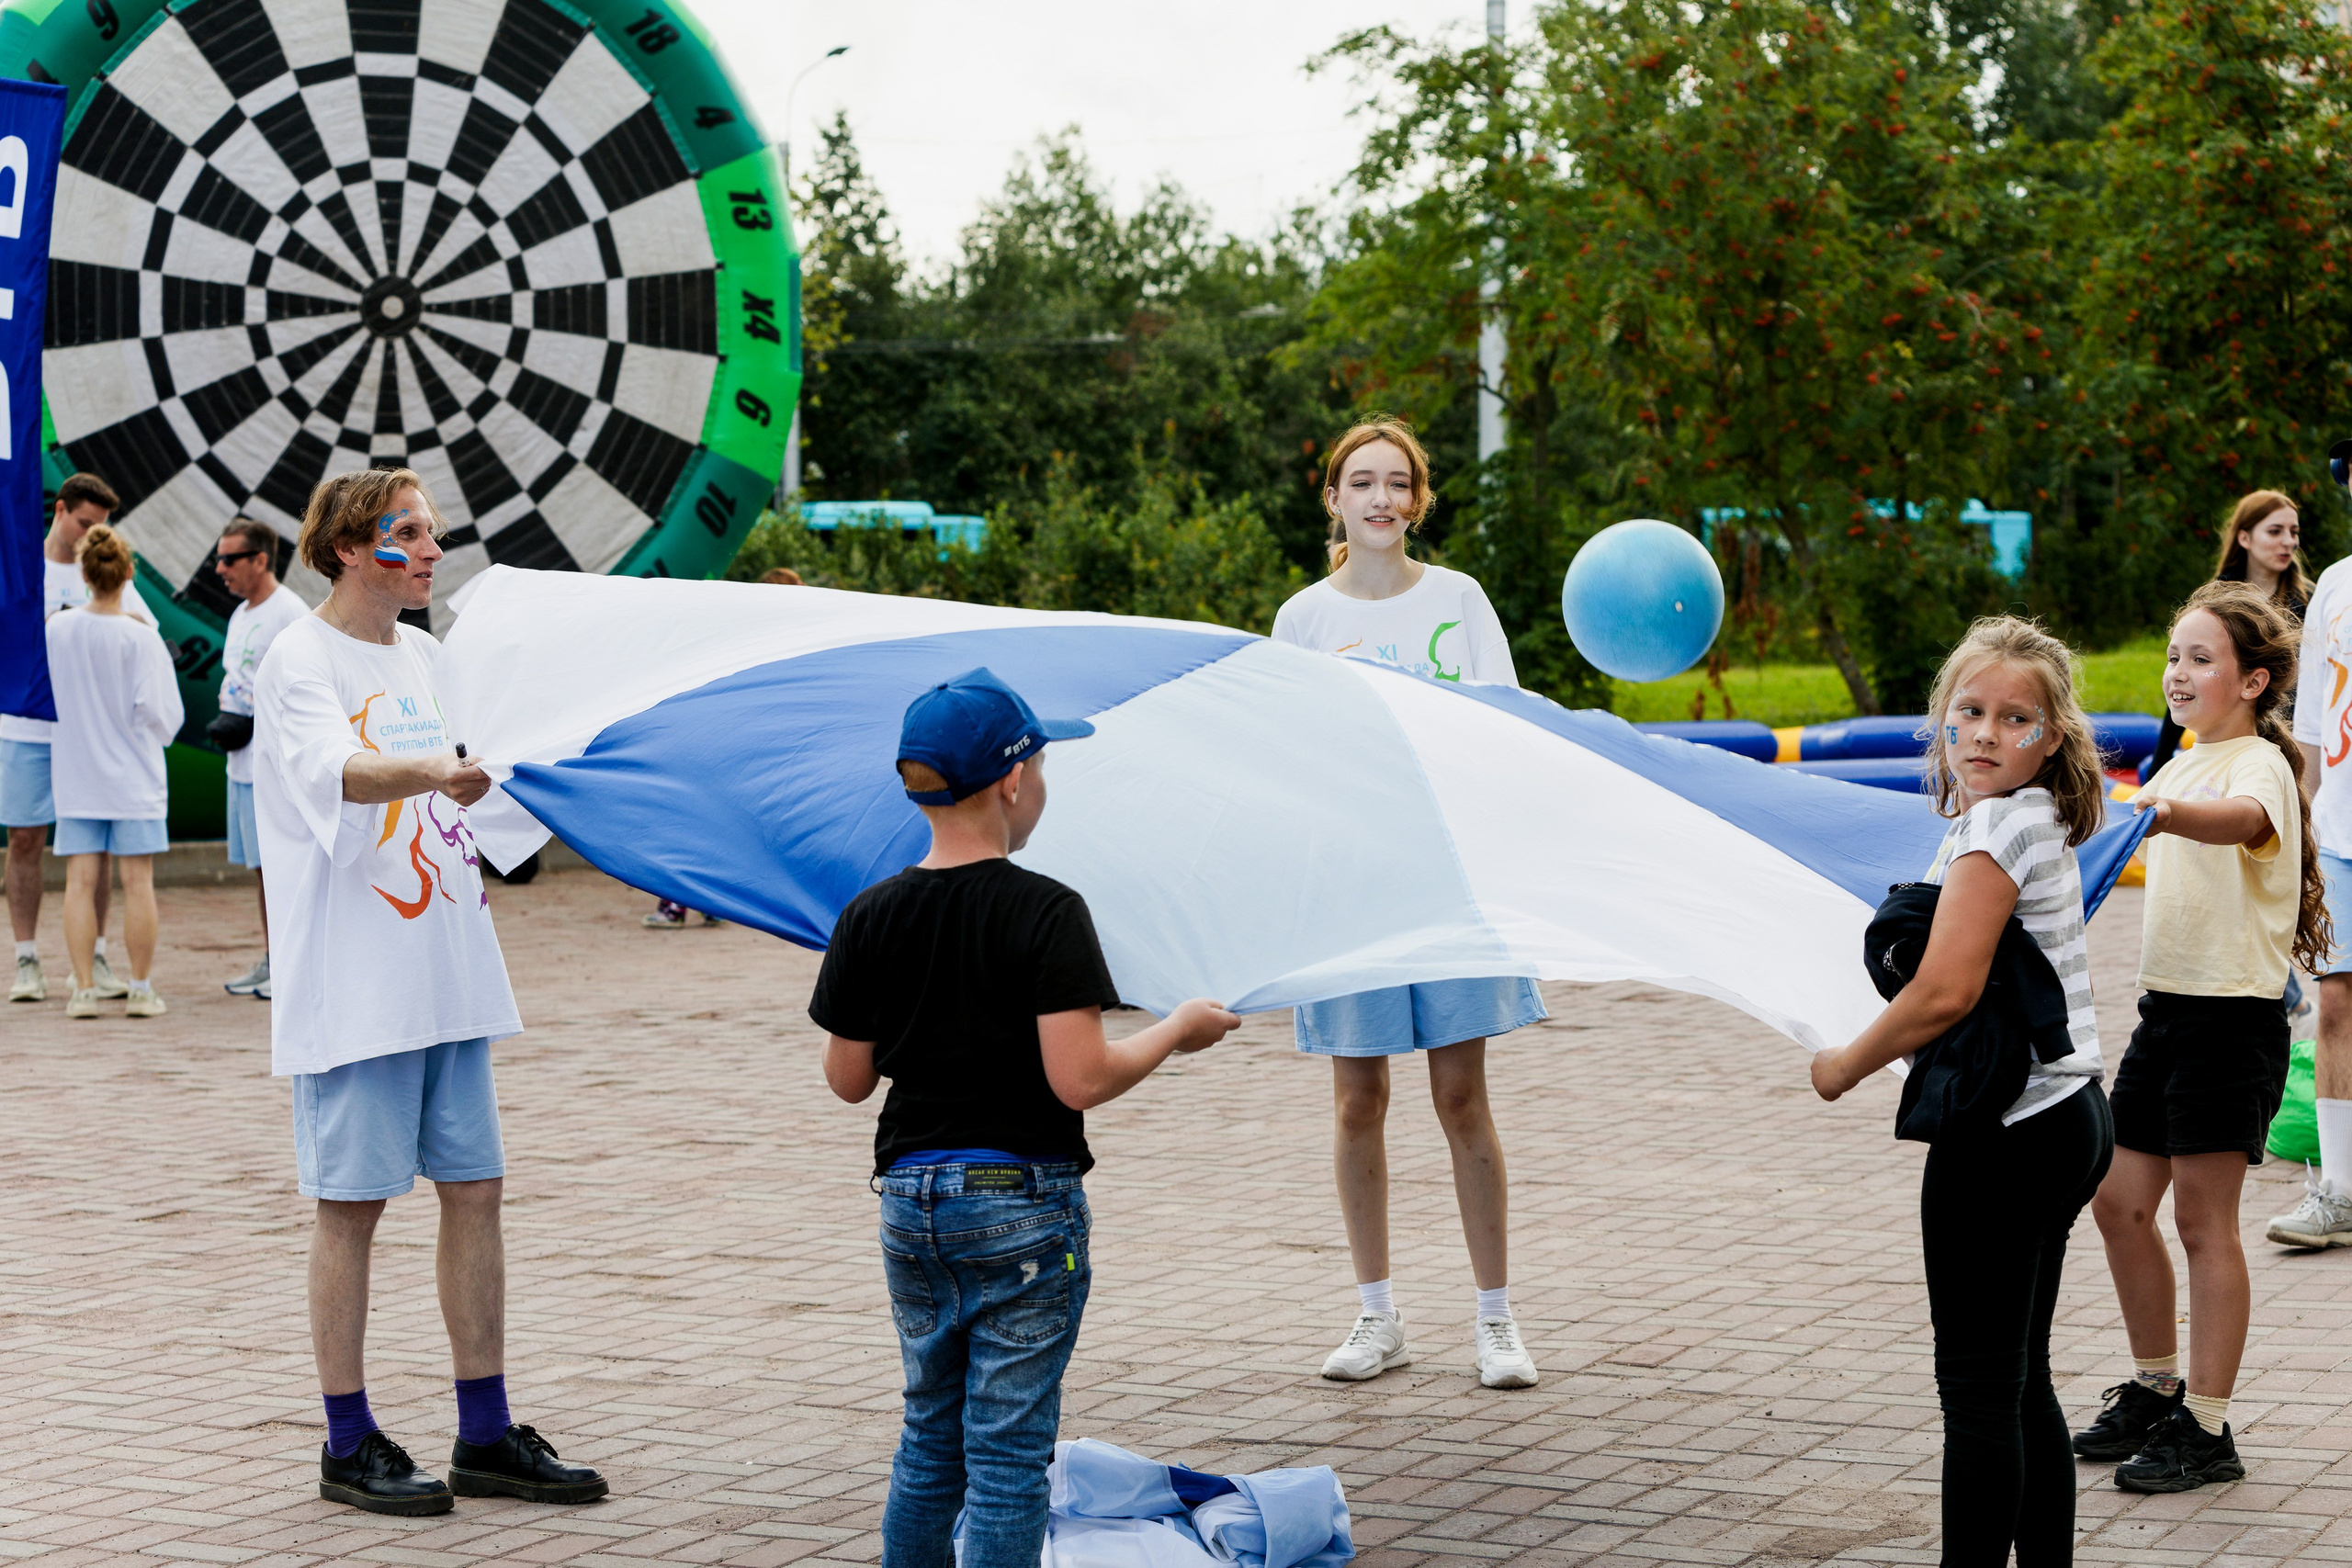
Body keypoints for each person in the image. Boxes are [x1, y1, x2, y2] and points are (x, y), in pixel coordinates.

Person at [812, 668, 1239, 1568]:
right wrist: (1174, 1031)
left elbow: (847, 1079)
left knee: (930, 1433)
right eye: (1041, 767)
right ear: (1012, 782)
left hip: (911, 1201)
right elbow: (1080, 1078)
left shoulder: (869, 913)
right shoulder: (1044, 910)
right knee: (1006, 1451)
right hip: (1021, 1203)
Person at [253, 468, 605, 1517]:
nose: (434, 548)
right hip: (357, 984)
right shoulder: (296, 656)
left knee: (477, 1193)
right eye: (412, 531)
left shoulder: (430, 656)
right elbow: (339, 772)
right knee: (351, 1208)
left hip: (450, 969)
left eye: (435, 530)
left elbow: (486, 785)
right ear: (354, 547)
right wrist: (436, 770)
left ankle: (485, 1431)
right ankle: (346, 1439)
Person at [1808, 616, 2112, 1566]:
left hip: (2008, 1136)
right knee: (2021, 1382)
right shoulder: (2032, 819)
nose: (1984, 732)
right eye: (1967, 711)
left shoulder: (1996, 825)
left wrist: (1842, 1064)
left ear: (2049, 737)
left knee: (1977, 1393)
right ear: (1942, 719)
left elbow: (1947, 988)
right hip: (2068, 1115)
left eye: (2012, 718)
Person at [1267, 419, 1547, 1391]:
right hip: (1353, 892)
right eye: (1361, 483)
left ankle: (1496, 1321)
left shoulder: (1460, 601)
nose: (1380, 499)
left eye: (1397, 483)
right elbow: (1288, 761)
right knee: (1358, 1100)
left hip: (1448, 883)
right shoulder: (1302, 618)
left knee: (1462, 1097)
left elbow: (1500, 732)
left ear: (1417, 501)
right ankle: (1376, 1315)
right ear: (1334, 500)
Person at [2075, 581, 2327, 1492]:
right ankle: (2155, 1387)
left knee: (2200, 1223)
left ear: (2253, 681)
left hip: (2233, 1023)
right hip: (2166, 1016)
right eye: (2173, 657)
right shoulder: (2178, 762)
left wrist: (2163, 811)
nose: (2178, 673)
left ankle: (2208, 1429)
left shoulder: (2250, 763)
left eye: (2200, 659)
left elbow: (2244, 823)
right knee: (2116, 1204)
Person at [4, 473, 145, 1003]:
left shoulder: (104, 569)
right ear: (59, 510)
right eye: (85, 523)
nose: (91, 534)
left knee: (94, 848)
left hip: (88, 736)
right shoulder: (21, 570)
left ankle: (97, 958)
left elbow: (144, 632)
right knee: (24, 840)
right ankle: (26, 959)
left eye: (100, 526)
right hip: (26, 728)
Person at [46, 525, 180, 1020]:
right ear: (127, 573)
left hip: (75, 774)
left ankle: (83, 988)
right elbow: (165, 719)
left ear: (83, 574)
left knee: (79, 882)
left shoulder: (56, 629)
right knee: (137, 882)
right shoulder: (141, 639)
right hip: (135, 778)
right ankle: (141, 988)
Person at [2278, 515, 2352, 1248]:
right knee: (2334, 1003)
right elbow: (2310, 723)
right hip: (2342, 835)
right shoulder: (2335, 582)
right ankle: (2339, 1190)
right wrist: (2300, 825)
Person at [2146, 491, 2312, 776]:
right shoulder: (2213, 603)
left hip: (2294, 742)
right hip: (2227, 746)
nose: (2288, 541)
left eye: (2293, 532)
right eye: (2275, 531)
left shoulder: (2309, 603)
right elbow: (2185, 681)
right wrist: (2158, 767)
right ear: (2245, 538)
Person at [210, 518, 304, 1000]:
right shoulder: (242, 612)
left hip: (275, 769)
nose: (219, 568)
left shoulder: (289, 612)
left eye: (230, 559)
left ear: (261, 560)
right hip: (241, 764)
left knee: (282, 867)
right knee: (260, 870)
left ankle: (292, 965)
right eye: (219, 557)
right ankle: (275, 959)